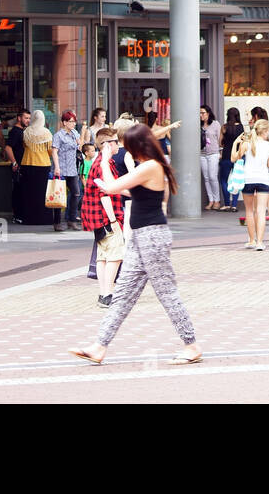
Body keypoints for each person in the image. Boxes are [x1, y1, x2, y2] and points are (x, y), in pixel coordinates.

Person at [72, 125, 201, 365]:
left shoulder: (151, 166)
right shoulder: (148, 167)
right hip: (141, 238)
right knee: (122, 295)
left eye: (128, 147)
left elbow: (112, 187)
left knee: (167, 293)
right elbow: (129, 191)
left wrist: (105, 158)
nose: (125, 151)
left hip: (152, 238)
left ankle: (191, 345)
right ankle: (99, 346)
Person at [81, 128, 126, 307]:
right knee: (114, 256)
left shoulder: (101, 162)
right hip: (107, 217)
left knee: (103, 256)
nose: (118, 144)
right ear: (107, 145)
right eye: (115, 141)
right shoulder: (103, 164)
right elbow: (105, 194)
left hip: (98, 218)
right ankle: (107, 293)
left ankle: (103, 293)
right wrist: (114, 221)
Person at [233, 118, 269, 249]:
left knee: (249, 211)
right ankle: (260, 242)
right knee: (261, 211)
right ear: (265, 131)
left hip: (248, 179)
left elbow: (236, 157)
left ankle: (252, 240)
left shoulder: (247, 144)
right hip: (263, 179)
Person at [21, 110, 54, 225]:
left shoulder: (27, 131)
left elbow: (24, 145)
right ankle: (44, 218)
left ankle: (29, 218)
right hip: (43, 164)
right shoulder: (46, 133)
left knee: (29, 193)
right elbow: (50, 150)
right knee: (43, 192)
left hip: (27, 163)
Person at [52, 111, 83, 232]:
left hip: (73, 169)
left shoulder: (75, 133)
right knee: (59, 196)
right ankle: (57, 222)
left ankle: (72, 220)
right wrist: (56, 167)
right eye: (71, 121)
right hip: (62, 168)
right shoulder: (58, 135)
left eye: (74, 121)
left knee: (76, 193)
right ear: (64, 122)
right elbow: (55, 151)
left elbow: (79, 146)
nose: (73, 124)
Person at [4, 108, 30, 222]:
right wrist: (14, 162)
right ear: (19, 118)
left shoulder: (24, 131)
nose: (28, 120)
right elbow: (8, 147)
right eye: (26, 118)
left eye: (29, 118)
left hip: (23, 164)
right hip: (18, 165)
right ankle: (17, 215)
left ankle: (21, 214)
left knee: (22, 190)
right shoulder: (15, 131)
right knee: (18, 191)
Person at [199, 105, 223, 211]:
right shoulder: (198, 125)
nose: (201, 115)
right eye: (199, 113)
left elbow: (220, 139)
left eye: (203, 113)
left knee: (213, 176)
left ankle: (217, 200)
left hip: (213, 153)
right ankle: (211, 200)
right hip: (202, 153)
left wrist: (220, 152)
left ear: (208, 113)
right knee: (206, 178)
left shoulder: (215, 124)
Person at [219, 107, 243, 213]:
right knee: (236, 180)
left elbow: (220, 142)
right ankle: (234, 205)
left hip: (226, 156)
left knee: (224, 180)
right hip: (237, 156)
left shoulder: (224, 127)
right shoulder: (241, 127)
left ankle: (227, 204)